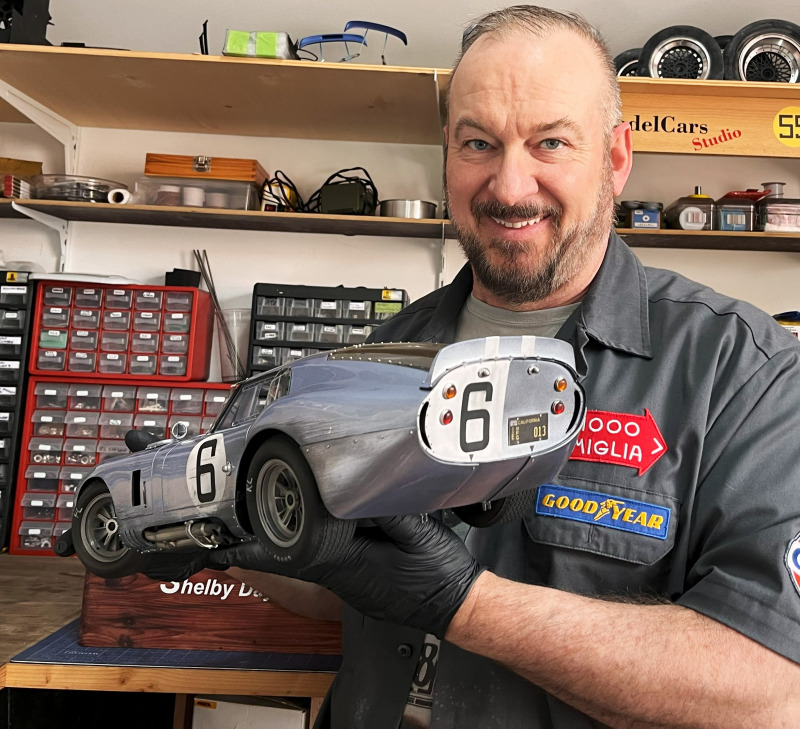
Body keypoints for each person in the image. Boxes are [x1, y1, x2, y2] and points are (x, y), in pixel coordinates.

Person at [208, 6, 800, 727]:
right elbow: (351, 579)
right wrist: (224, 538)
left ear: (616, 158)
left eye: (550, 142)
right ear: (448, 153)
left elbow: (772, 685)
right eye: (479, 143)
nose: (509, 185)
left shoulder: (744, 374)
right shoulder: (378, 352)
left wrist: (466, 604)